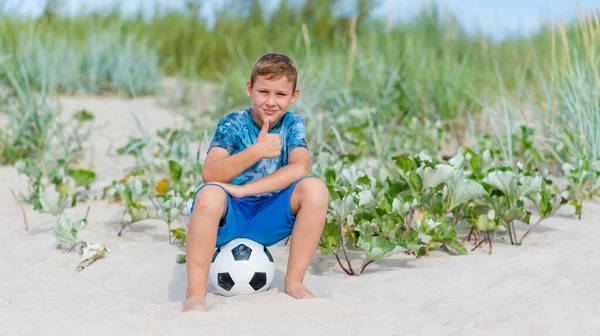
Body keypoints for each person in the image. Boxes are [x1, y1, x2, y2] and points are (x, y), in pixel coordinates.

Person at [182, 53, 329, 313]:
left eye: (281, 94)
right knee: (208, 194)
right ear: (250, 89)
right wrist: (257, 151)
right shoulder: (233, 123)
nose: (271, 102)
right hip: (229, 216)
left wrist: (245, 189)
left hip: (267, 217)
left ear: (294, 96)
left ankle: (294, 283)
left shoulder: (292, 124)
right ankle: (195, 295)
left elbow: (300, 167)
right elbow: (210, 174)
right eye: (263, 91)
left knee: (315, 189)